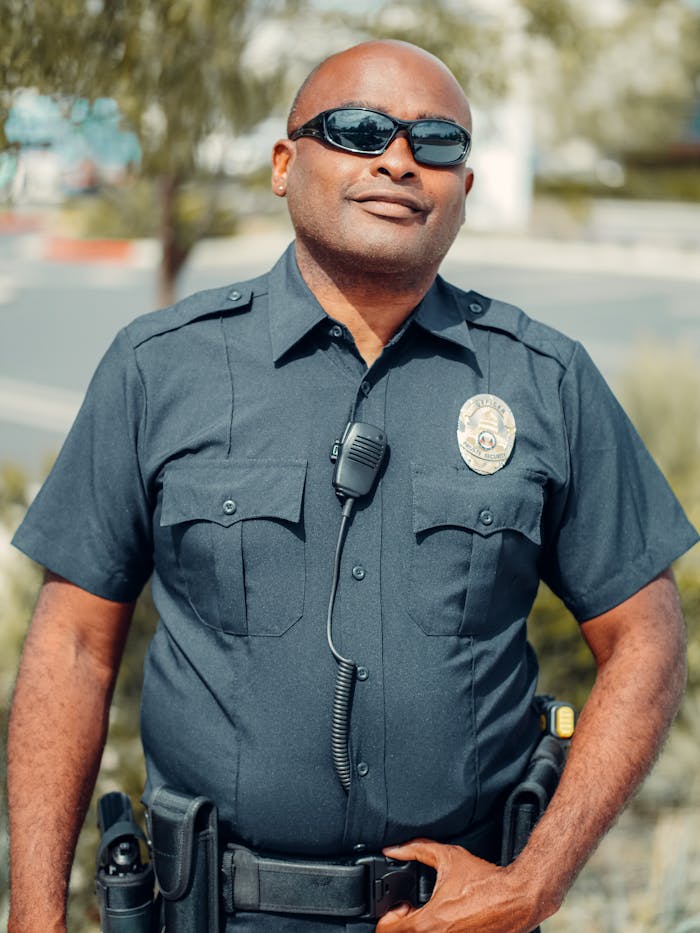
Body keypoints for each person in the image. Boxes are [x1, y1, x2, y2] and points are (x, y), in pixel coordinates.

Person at [7, 39, 698, 933]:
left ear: (466, 189)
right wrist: (34, 913)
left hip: (459, 915)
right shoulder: (159, 368)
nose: (399, 159)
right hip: (214, 912)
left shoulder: (545, 380)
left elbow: (645, 634)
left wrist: (537, 878)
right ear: (285, 164)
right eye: (360, 129)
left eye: (437, 142)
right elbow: (71, 645)